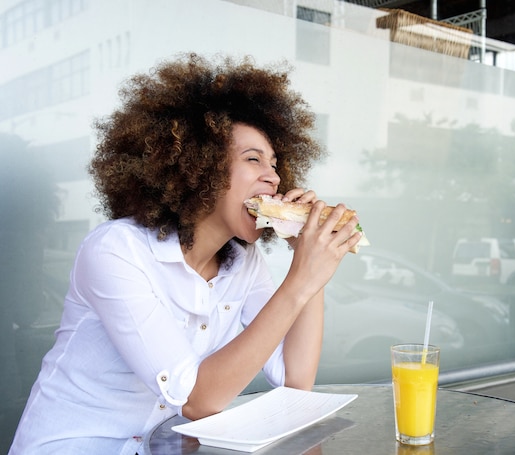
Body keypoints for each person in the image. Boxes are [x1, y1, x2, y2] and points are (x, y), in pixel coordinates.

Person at [9, 52, 362, 454]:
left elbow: (296, 381)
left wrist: (311, 268)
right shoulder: (116, 250)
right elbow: (197, 399)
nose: (275, 176)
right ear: (200, 166)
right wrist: (301, 278)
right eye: (253, 159)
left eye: (276, 163)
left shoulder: (244, 264)